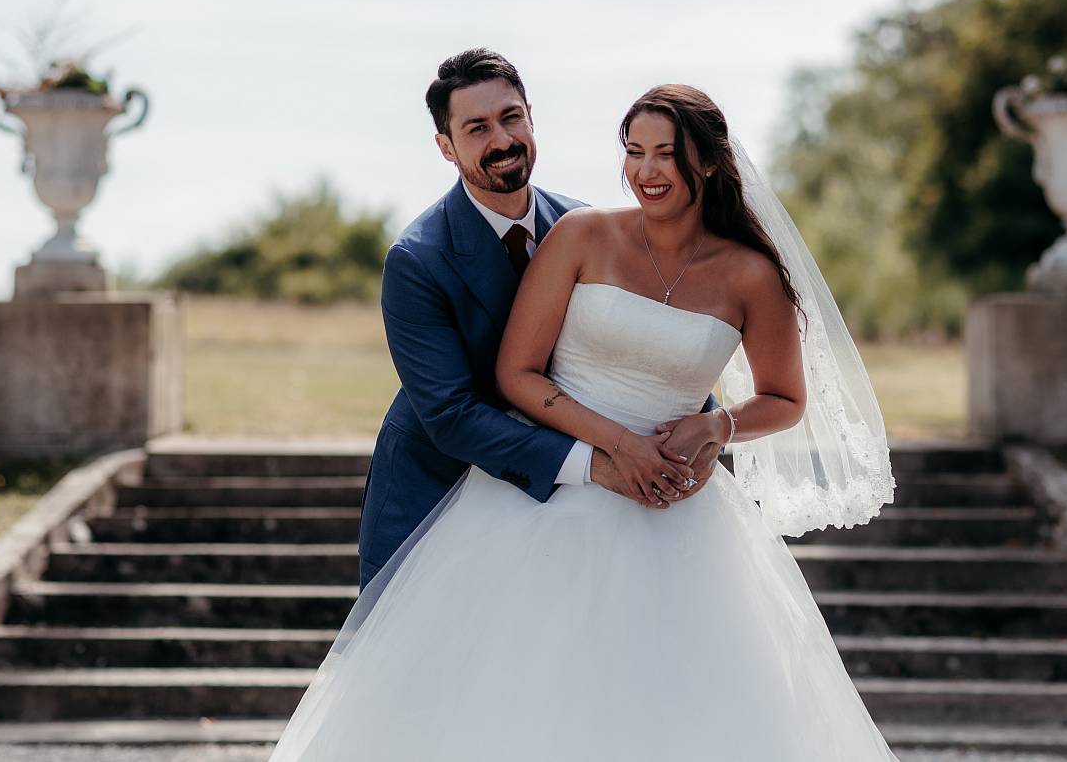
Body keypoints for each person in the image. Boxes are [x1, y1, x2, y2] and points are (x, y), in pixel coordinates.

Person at [273, 78, 898, 761]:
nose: (647, 170)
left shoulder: (733, 269)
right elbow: (471, 402)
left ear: (712, 161)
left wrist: (713, 428)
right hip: (496, 487)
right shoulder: (439, 255)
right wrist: (612, 454)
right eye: (635, 151)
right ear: (445, 145)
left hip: (678, 511)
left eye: (510, 117)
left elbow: (772, 394)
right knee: (474, 698)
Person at [357, 49, 717, 588]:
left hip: (583, 515)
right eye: (476, 128)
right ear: (446, 147)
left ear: (531, 116)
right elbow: (452, 414)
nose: (501, 141)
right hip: (440, 496)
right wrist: (596, 464)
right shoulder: (417, 260)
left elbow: (645, 329)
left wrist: (700, 423)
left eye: (510, 118)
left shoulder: (585, 226)